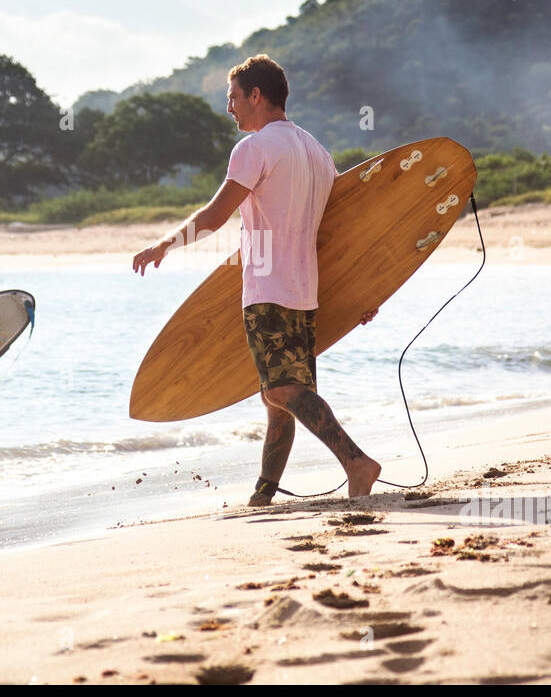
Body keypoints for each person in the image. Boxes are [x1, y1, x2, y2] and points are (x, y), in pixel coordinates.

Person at [132, 54, 382, 506]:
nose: (229, 107)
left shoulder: (255, 148)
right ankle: (264, 494)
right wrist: (361, 291)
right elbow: (339, 236)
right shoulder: (317, 152)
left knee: (283, 389)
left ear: (256, 95)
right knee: (278, 399)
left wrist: (163, 246)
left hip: (268, 291)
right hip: (304, 292)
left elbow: (214, 216)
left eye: (232, 97)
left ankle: (356, 462)